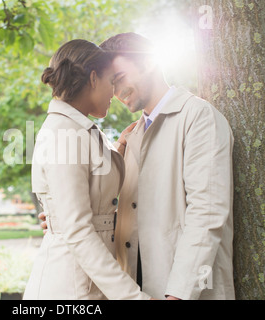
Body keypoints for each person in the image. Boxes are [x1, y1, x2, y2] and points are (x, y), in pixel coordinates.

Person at [40, 33, 235, 300]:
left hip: (182, 291)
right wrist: (66, 216)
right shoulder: (133, 135)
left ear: (149, 63)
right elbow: (137, 212)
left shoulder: (199, 118)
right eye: (111, 81)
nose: (115, 91)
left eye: (118, 78)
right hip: (139, 286)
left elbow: (208, 215)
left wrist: (178, 294)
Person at [23, 39, 151, 300]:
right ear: (93, 78)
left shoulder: (79, 131)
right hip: (69, 288)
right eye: (111, 82)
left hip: (89, 283)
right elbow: (78, 230)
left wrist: (119, 150)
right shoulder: (64, 134)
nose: (114, 93)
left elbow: (93, 190)